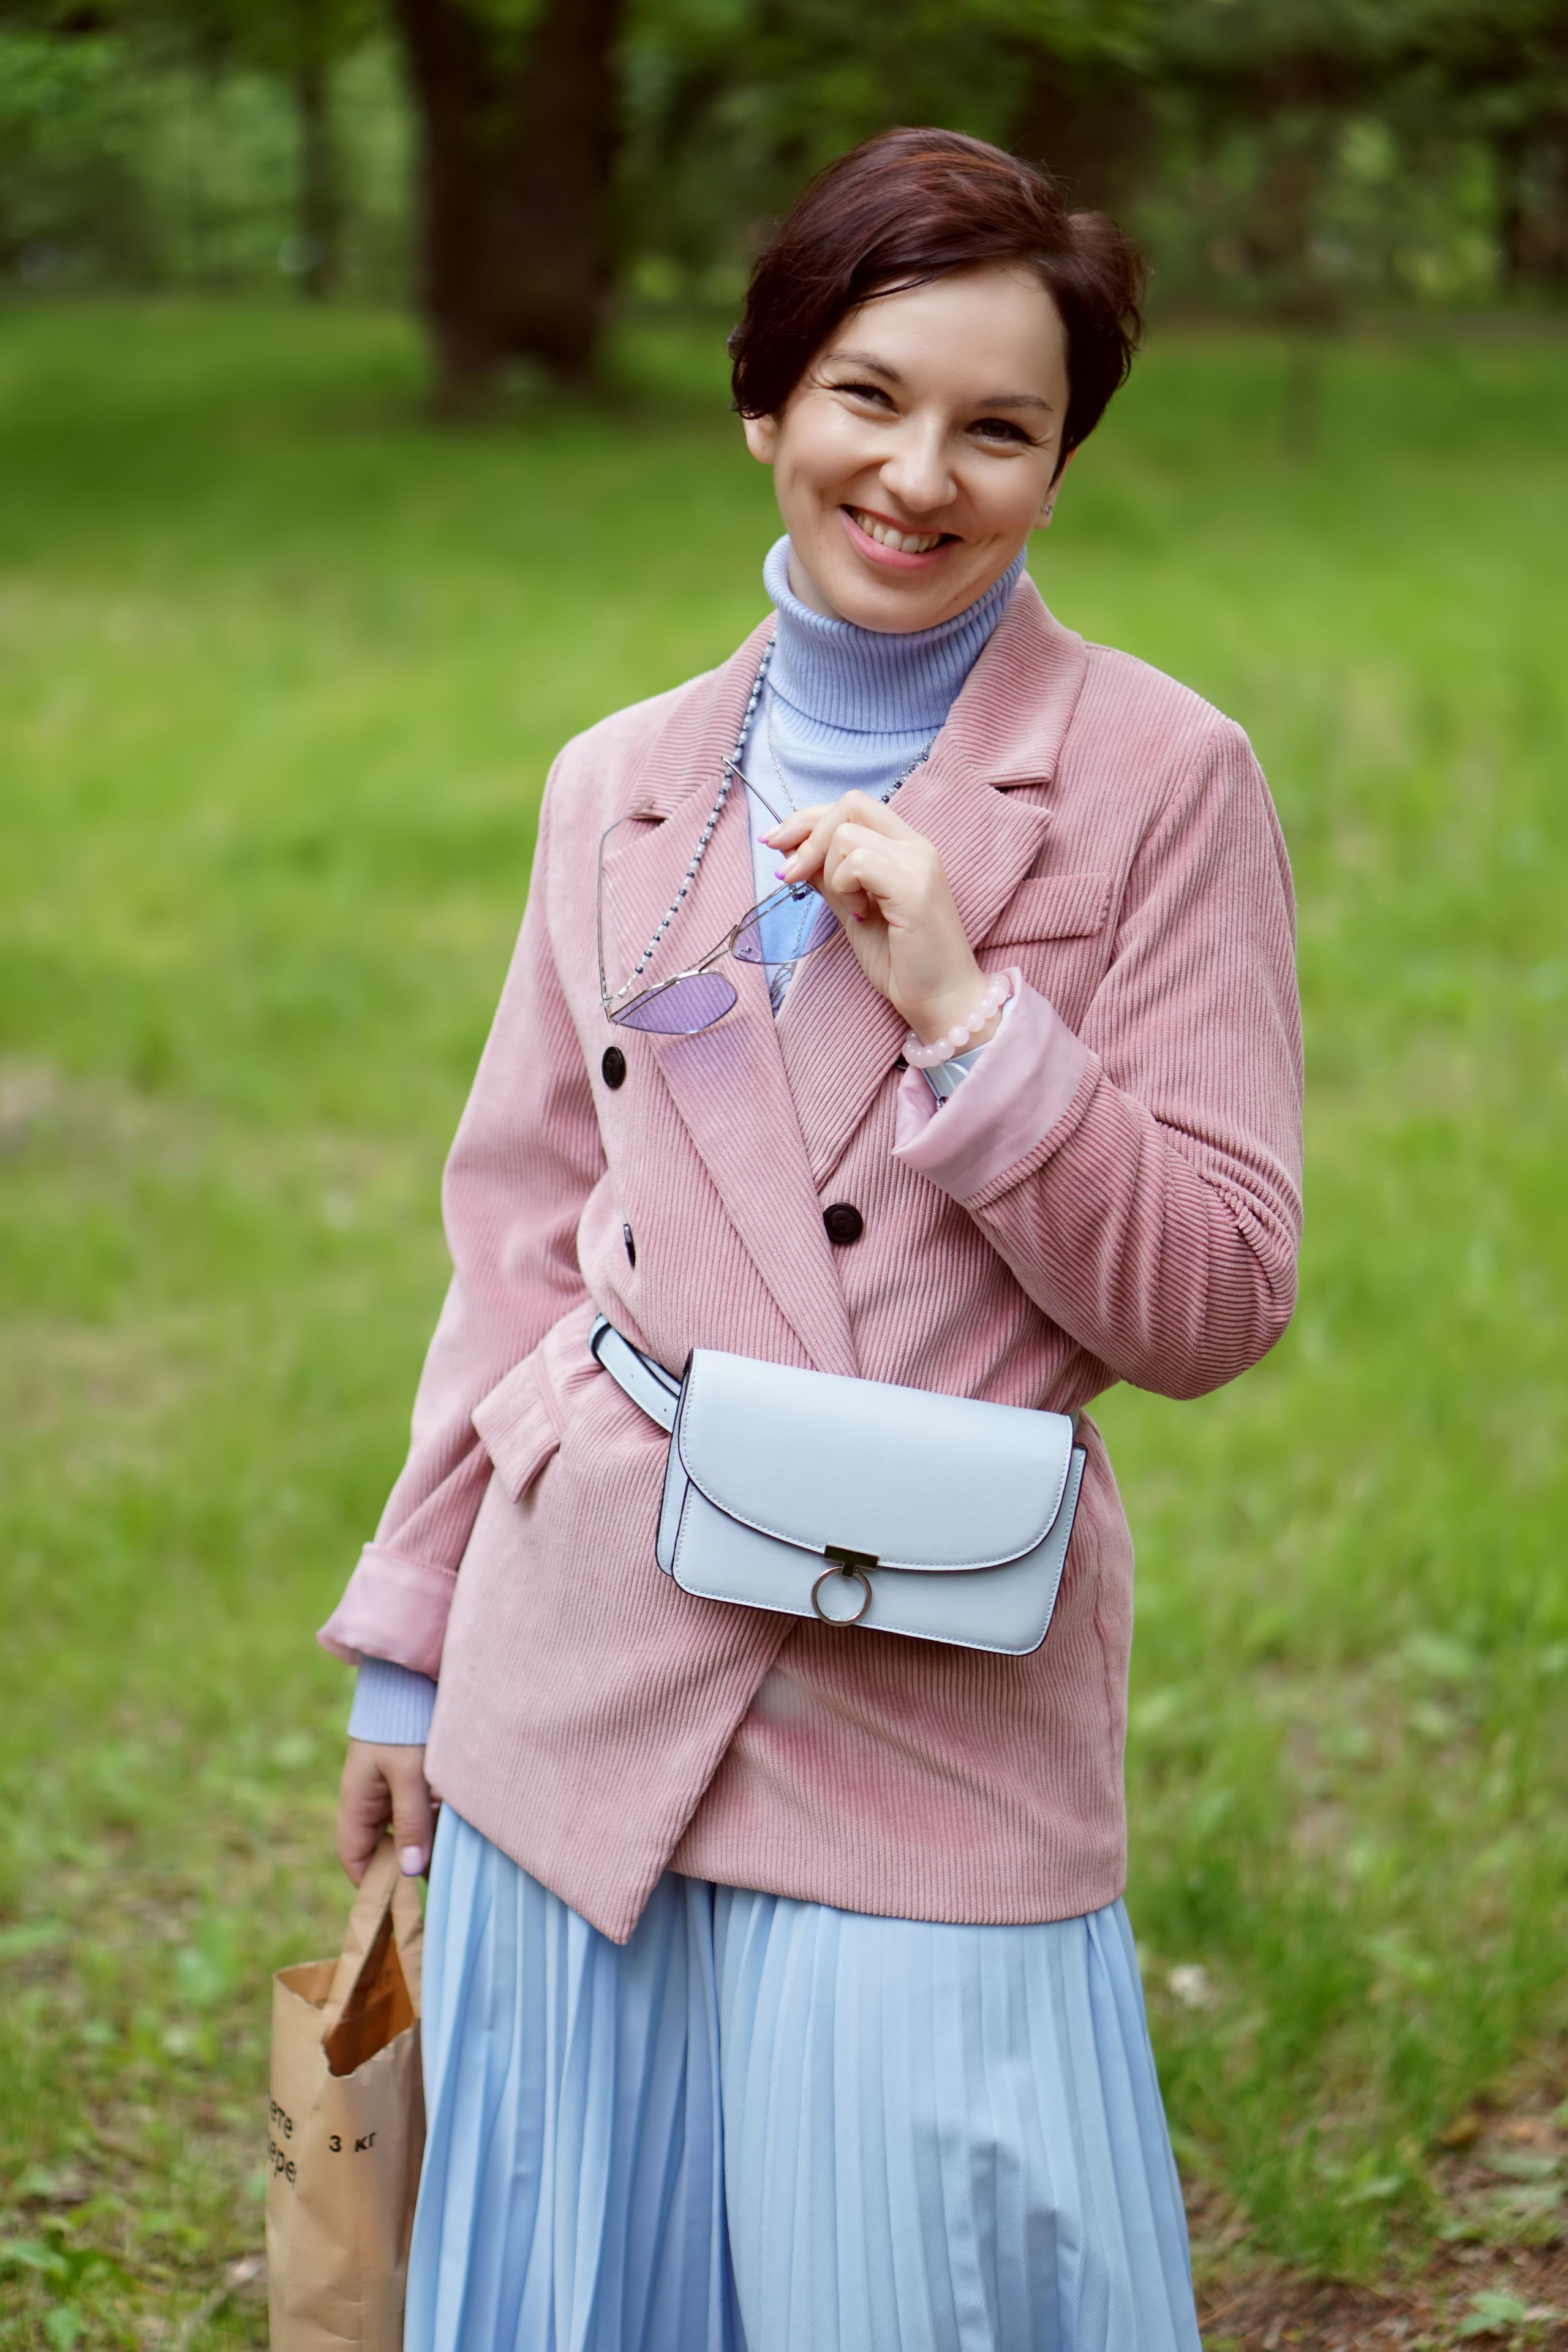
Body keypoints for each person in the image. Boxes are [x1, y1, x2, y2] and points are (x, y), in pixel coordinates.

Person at [322, 126, 1303, 2352]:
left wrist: (972, 1019)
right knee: (583, 2283)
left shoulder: (1163, 779)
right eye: (867, 395)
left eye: (1001, 428)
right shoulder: (622, 782)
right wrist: (410, 1651)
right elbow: (523, 1246)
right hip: (580, 1656)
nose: (919, 475)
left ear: (1063, 468)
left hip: (926, 1667)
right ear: (767, 405)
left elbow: (1219, 1299)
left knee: (929, 2288)